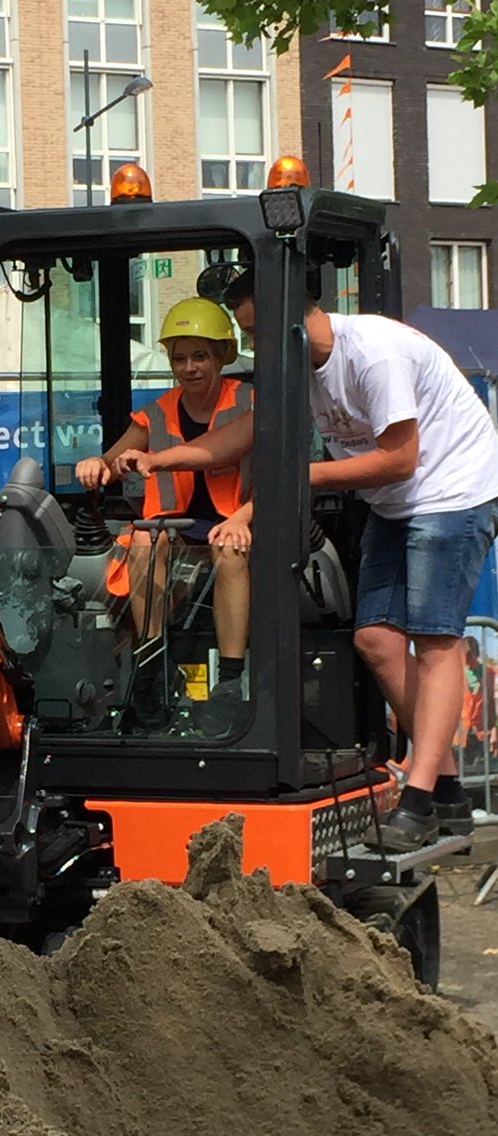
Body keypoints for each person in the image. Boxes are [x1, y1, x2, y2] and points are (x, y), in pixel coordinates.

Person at [138, 266, 498, 850]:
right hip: (395, 501)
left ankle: (418, 799)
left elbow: (400, 459)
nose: (252, 345)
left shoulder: (374, 354)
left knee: (436, 641)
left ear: (293, 318)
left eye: (255, 331)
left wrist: (300, 476)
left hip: (452, 491)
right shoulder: (299, 367)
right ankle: (449, 791)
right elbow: (248, 433)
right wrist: (163, 459)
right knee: (376, 641)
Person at [75, 297, 254, 734]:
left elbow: (278, 475)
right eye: (179, 358)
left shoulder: (251, 403)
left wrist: (242, 518)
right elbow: (113, 462)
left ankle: (230, 680)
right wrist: (97, 465)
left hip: (237, 520)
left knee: (230, 550)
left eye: (200, 356)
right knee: (141, 540)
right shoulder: (155, 412)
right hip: (174, 528)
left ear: (222, 356)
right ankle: (152, 665)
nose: (189, 368)